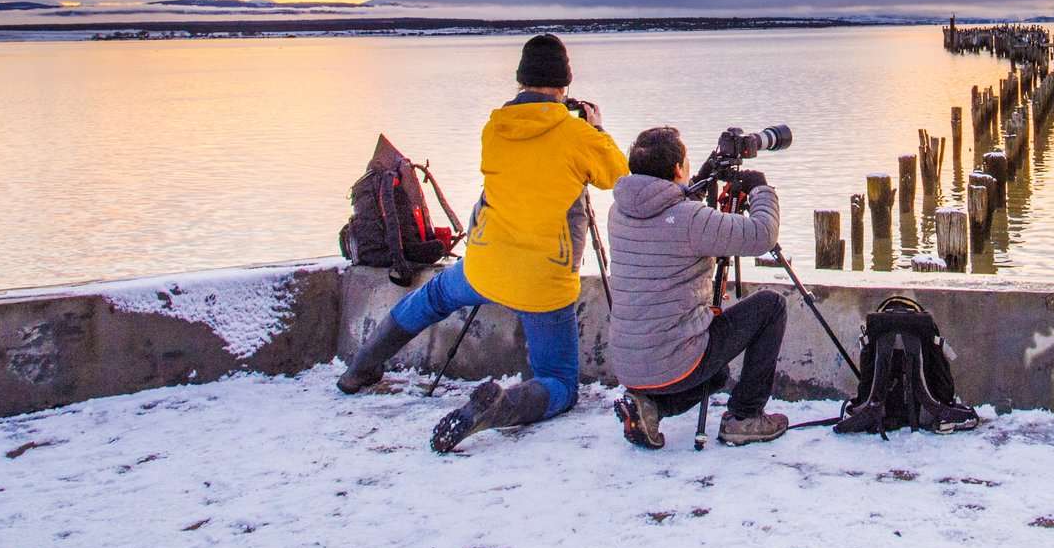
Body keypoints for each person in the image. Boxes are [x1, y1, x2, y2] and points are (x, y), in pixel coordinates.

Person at [336, 33, 628, 453]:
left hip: (485, 265)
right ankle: (501, 408)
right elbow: (616, 174)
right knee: (559, 383)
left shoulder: (495, 128)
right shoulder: (575, 135)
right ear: (565, 83)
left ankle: (361, 367)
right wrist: (595, 127)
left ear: (521, 79)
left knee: (433, 296)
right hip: (542, 281)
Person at [606, 126, 789, 448]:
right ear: (678, 169)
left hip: (629, 365)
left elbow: (669, 213)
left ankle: (650, 407)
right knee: (771, 305)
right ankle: (745, 418)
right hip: (676, 361)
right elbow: (762, 234)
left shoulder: (619, 211)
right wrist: (761, 189)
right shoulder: (690, 220)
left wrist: (706, 174)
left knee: (716, 375)